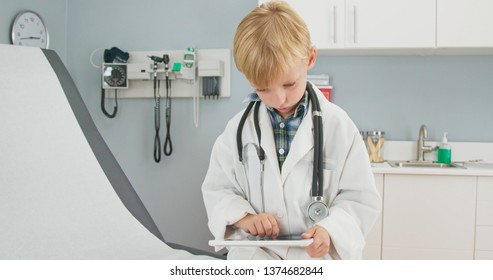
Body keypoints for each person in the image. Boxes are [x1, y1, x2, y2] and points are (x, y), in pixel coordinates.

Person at [201, 0, 381, 260]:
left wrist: (330, 230)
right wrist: (244, 217)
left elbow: (359, 199)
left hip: (313, 260)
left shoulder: (338, 127)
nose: (279, 98)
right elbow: (219, 190)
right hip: (257, 257)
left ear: (310, 58)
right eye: (263, 89)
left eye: (289, 84)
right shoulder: (237, 132)